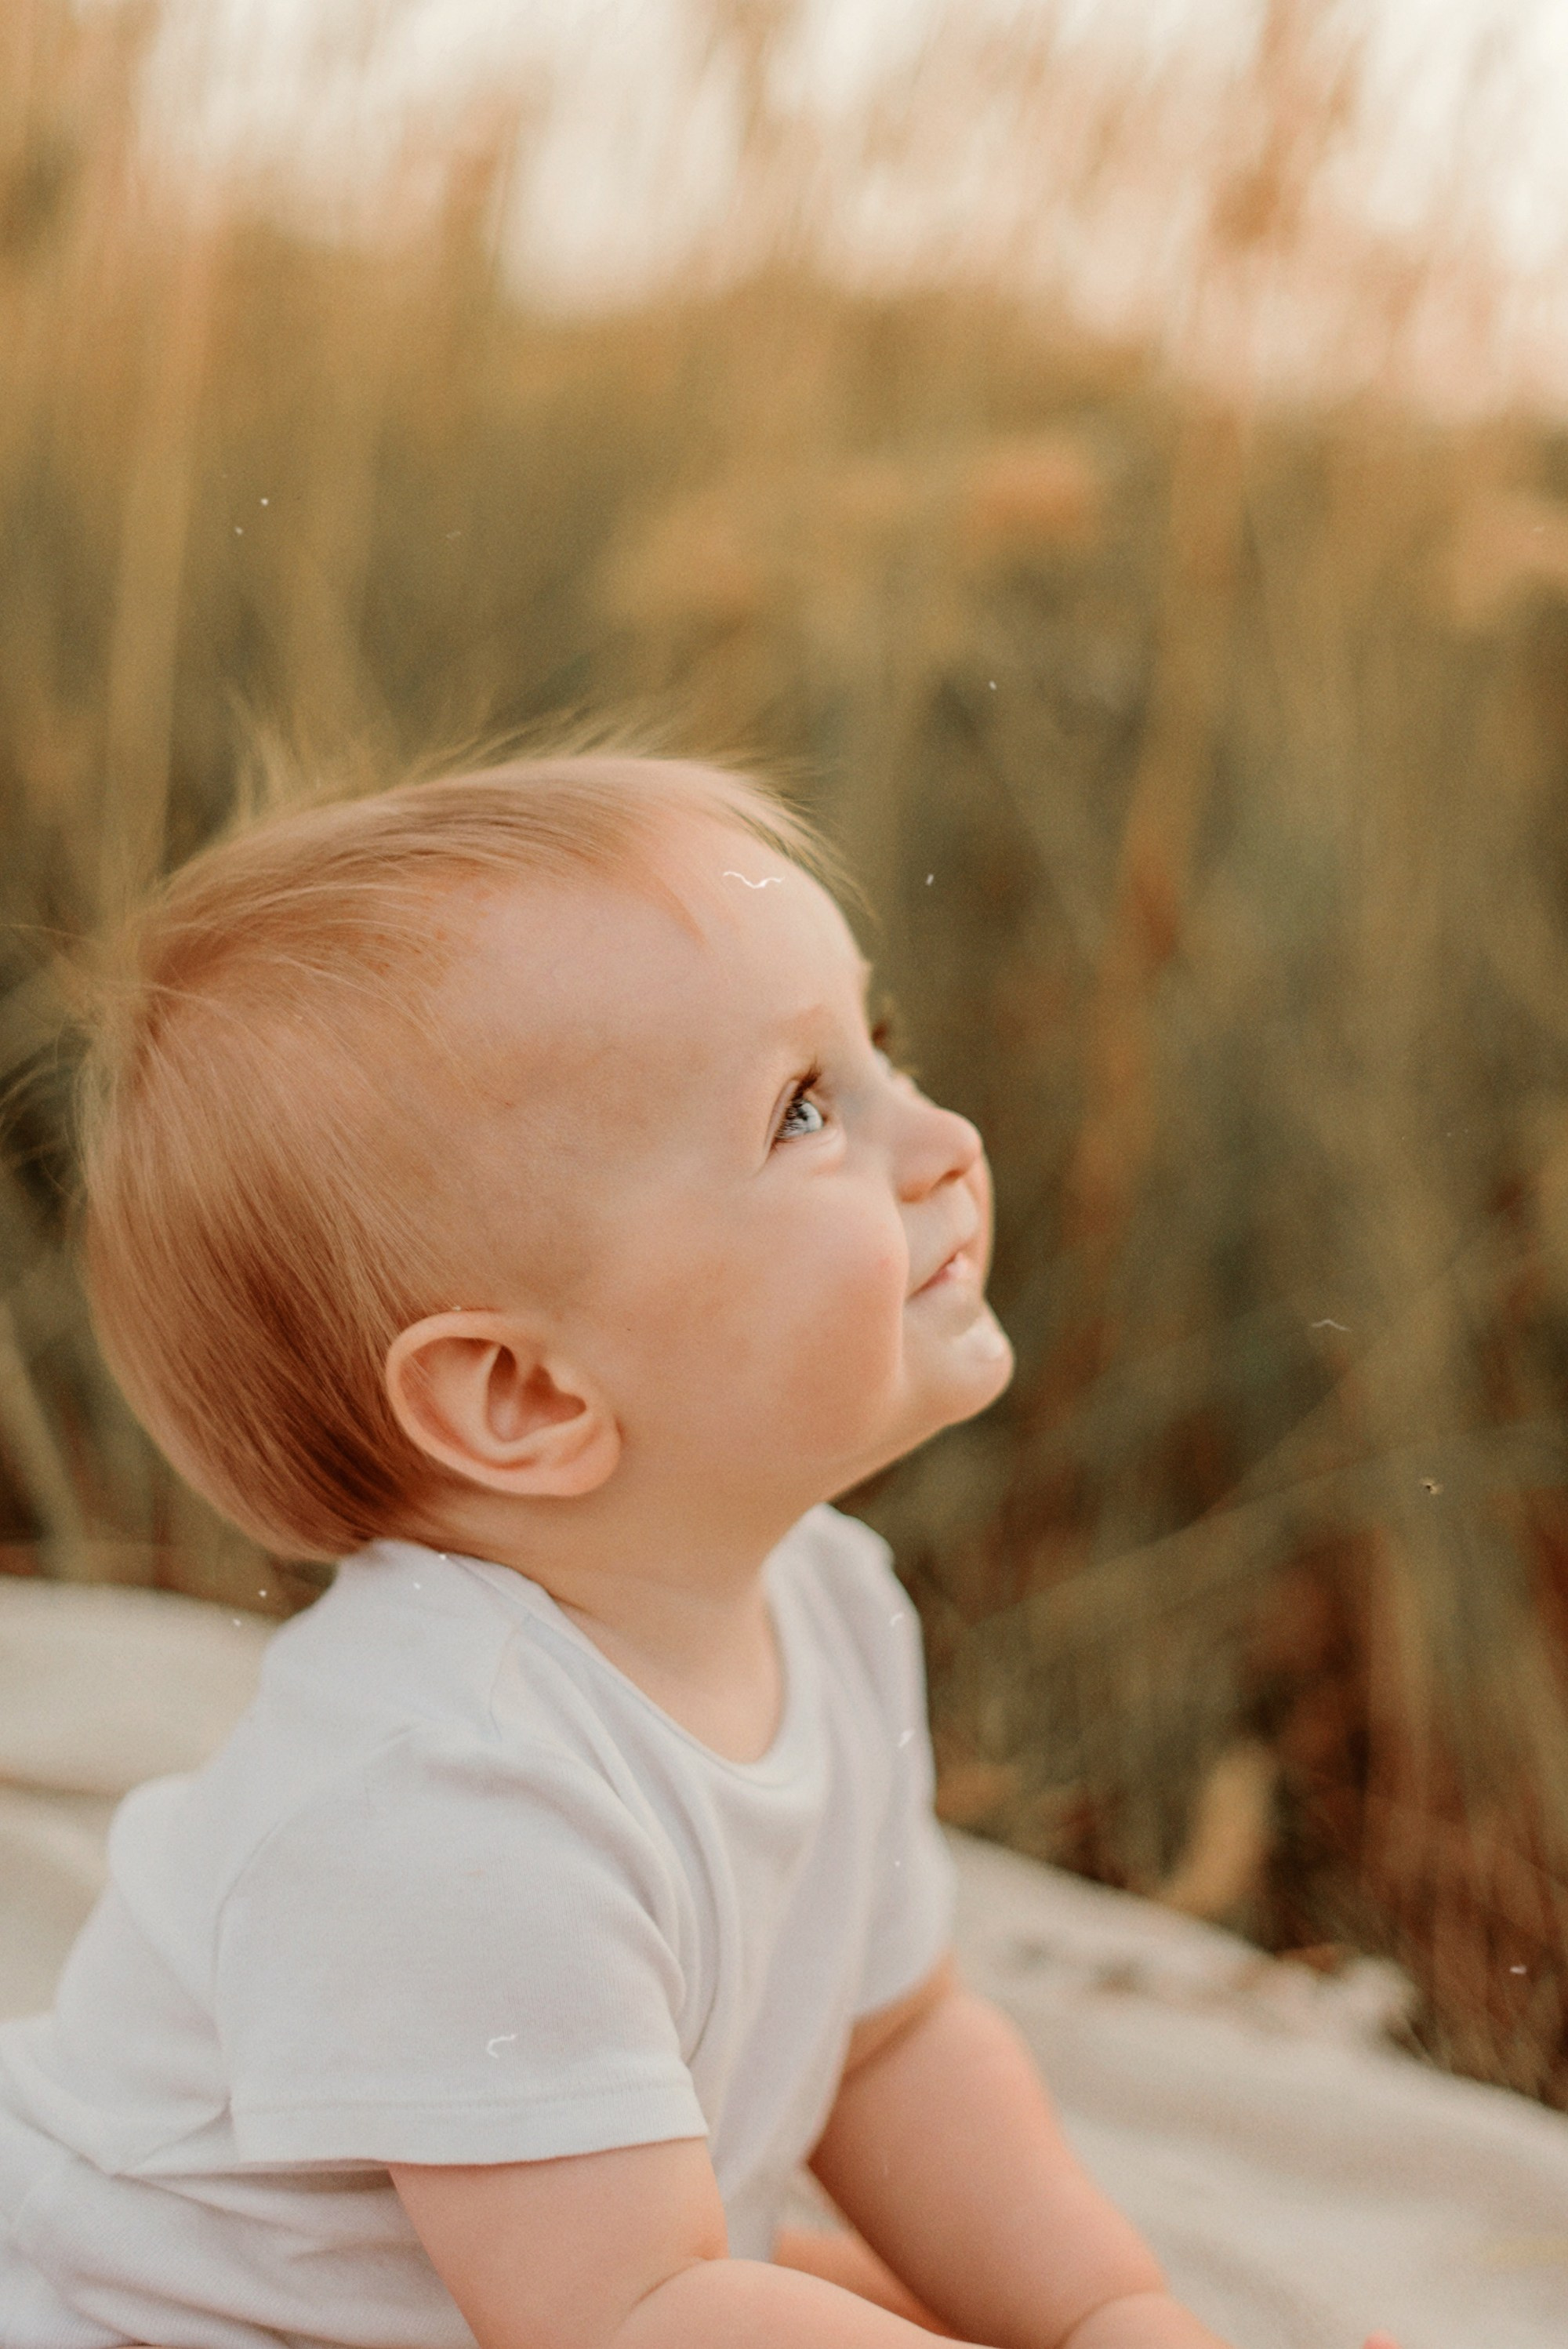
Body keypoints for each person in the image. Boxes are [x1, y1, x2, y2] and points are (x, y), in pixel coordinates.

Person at [0, 757, 1399, 2349]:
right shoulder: (450, 1794)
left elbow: (892, 2046)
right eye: (805, 1109)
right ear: (526, 1394)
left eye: (882, 1050)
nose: (941, 1136)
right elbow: (637, 2316)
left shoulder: (826, 1597)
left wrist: (1111, 2311)